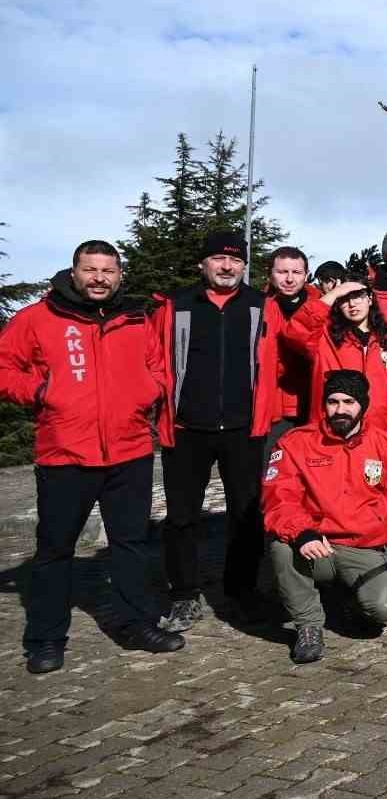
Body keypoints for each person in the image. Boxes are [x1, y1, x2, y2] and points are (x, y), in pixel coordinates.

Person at [0, 241, 183, 673]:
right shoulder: (38, 318)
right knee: (54, 551)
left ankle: (136, 623)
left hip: (130, 451)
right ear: (75, 271)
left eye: (108, 270)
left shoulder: (136, 319)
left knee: (130, 546)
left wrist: (148, 390)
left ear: (120, 274)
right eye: (90, 269)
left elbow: (159, 367)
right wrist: (42, 392)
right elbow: (5, 368)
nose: (99, 278)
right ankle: (45, 638)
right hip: (66, 454)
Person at [151, 231, 279, 629]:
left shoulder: (262, 306)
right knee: (182, 517)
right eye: (219, 260)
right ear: (203, 264)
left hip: (243, 428)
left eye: (235, 261)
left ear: (244, 266)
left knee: (245, 515)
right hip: (187, 427)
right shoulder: (175, 307)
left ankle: (240, 591)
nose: (227, 267)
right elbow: (153, 362)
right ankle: (185, 595)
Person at [263, 370, 387, 664]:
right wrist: (303, 532)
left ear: (363, 405)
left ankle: (349, 600)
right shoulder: (295, 443)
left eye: (349, 402)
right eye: (333, 401)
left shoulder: (386, 447)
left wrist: (380, 534)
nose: (340, 409)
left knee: (385, 608)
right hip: (316, 543)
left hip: (364, 545)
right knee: (282, 547)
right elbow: (279, 498)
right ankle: (308, 626)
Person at [280, 279, 387, 437]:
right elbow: (295, 332)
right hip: (331, 430)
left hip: (377, 432)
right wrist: (333, 293)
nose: (352, 304)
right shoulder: (324, 338)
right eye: (344, 299)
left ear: (370, 299)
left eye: (357, 297)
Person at [262, 247, 313, 447]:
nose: (290, 279)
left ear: (306, 276)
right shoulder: (257, 308)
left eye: (297, 272)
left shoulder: (322, 307)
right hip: (272, 408)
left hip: (312, 403)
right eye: (283, 272)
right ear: (271, 274)